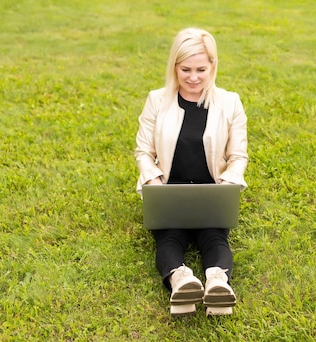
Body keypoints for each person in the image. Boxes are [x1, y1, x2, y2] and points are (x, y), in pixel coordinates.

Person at [134, 28, 248, 316]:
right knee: (169, 237)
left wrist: (227, 184)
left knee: (214, 238)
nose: (193, 77)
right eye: (185, 69)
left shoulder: (229, 102)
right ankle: (180, 280)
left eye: (201, 69)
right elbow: (144, 152)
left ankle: (217, 283)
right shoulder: (157, 100)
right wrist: (153, 181)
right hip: (169, 190)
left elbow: (238, 156)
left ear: (213, 66)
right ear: (174, 67)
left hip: (211, 190)